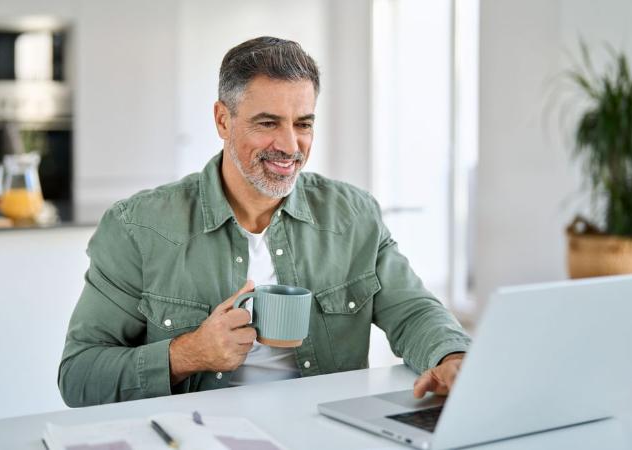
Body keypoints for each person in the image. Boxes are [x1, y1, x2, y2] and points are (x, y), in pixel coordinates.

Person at [58, 36, 471, 407]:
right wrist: (187, 354)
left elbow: (413, 310)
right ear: (223, 120)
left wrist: (452, 356)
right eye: (268, 123)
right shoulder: (137, 228)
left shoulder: (354, 214)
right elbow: (79, 376)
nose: (290, 146)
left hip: (322, 433)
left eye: (303, 124)